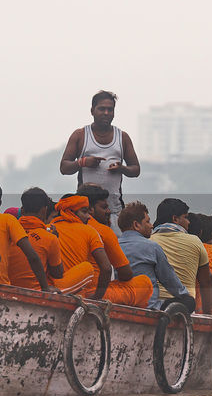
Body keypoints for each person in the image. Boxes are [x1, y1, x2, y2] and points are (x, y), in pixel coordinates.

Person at [58, 90, 140, 223]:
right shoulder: (80, 135)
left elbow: (136, 169)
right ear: (92, 110)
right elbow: (64, 167)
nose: (106, 113)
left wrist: (121, 168)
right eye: (102, 109)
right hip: (86, 211)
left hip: (114, 209)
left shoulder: (122, 137)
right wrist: (83, 162)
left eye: (110, 109)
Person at [76, 183, 152, 306]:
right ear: (90, 209)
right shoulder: (103, 231)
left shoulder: (61, 225)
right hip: (91, 294)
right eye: (104, 207)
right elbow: (126, 273)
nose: (108, 211)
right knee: (144, 283)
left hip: (68, 288)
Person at [9, 187, 96, 293]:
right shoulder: (49, 237)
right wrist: (56, 240)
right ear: (44, 210)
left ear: (22, 210)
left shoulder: (9, 233)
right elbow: (58, 274)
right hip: (40, 291)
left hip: (10, 287)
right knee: (88, 268)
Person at [116, 202, 196, 313]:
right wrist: (186, 296)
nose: (152, 225)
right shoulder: (152, 247)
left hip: (119, 303)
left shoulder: (114, 246)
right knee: (189, 301)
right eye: (147, 221)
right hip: (149, 307)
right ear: (136, 225)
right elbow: (169, 281)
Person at [150, 198, 212, 314]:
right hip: (184, 309)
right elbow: (205, 281)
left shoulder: (149, 241)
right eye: (185, 217)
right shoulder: (195, 241)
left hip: (153, 307)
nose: (189, 222)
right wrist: (209, 312)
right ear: (175, 219)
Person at [48, 195, 112, 300]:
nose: (89, 217)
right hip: (75, 297)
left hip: (47, 289)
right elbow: (107, 268)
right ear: (70, 212)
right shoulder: (89, 231)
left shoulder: (49, 227)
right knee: (88, 267)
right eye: (84, 211)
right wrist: (97, 297)